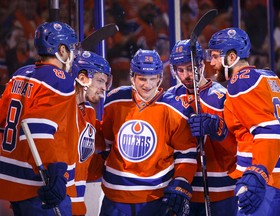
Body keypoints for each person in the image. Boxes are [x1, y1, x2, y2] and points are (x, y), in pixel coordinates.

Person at [97, 49, 198, 216]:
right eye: (142, 79)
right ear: (132, 77)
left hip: (154, 197)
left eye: (152, 79)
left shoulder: (175, 108)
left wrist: (181, 181)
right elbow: (107, 141)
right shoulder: (115, 99)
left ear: (160, 78)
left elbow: (186, 153)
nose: (147, 85)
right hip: (115, 195)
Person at [206, 27, 280, 216]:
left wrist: (258, 173)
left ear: (232, 57)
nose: (212, 62)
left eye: (216, 56)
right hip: (278, 179)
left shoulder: (241, 81)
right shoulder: (268, 76)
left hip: (263, 181)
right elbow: (250, 128)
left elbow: (269, 131)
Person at [0, 21, 78, 215]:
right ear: (61, 49)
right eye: (71, 48)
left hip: (10, 181)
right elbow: (37, 129)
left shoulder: (19, 74)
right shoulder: (59, 79)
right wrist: (56, 173)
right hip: (37, 183)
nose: (73, 53)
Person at [168, 39, 238, 216]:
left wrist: (218, 129)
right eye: (180, 70)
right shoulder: (169, 98)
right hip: (184, 191)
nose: (186, 75)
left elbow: (237, 146)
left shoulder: (222, 97)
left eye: (190, 68)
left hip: (221, 192)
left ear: (200, 63)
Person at [70, 51, 112, 216]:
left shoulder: (89, 112)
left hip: (78, 202)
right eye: (100, 80)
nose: (103, 88)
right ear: (82, 77)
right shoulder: (60, 108)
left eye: (105, 82)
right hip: (53, 200)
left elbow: (86, 160)